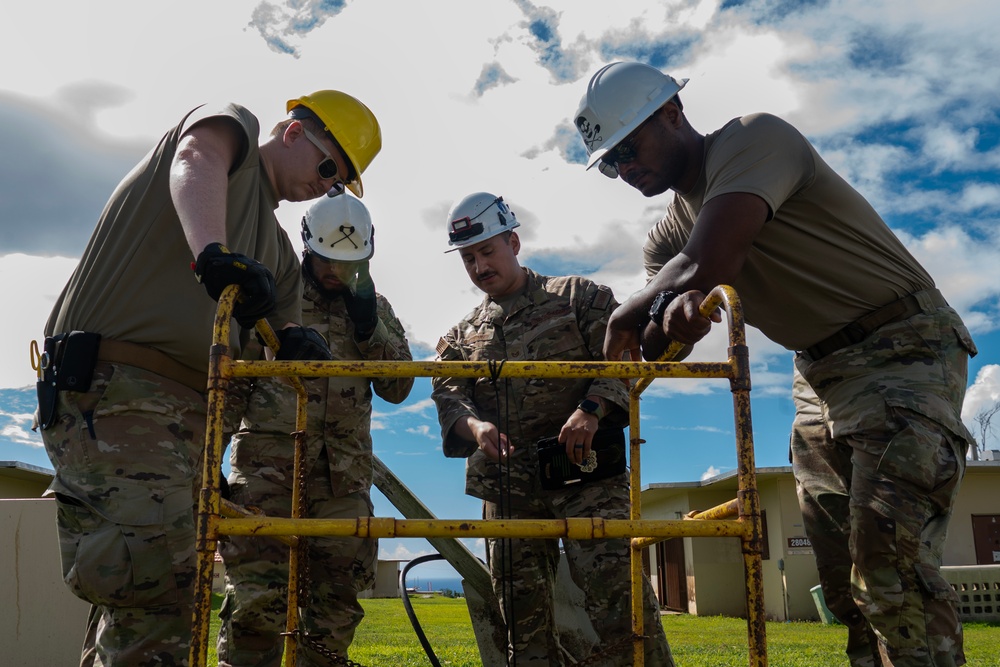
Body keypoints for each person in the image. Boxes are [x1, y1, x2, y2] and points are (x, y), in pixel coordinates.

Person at [575, 61, 977, 667]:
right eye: (610, 161)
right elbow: (663, 329)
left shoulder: (754, 138)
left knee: (890, 567)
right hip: (817, 374)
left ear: (672, 113)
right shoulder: (666, 239)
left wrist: (626, 314)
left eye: (628, 146)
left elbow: (708, 259)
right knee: (845, 581)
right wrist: (669, 313)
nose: (624, 168)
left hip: (900, 346)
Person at [35, 89, 382, 666]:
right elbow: (196, 157)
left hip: (186, 420)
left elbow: (283, 335)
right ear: (294, 133)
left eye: (337, 182)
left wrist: (295, 342)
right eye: (328, 168)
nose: (325, 187)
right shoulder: (233, 139)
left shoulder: (276, 256)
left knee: (164, 592)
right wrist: (211, 252)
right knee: (155, 583)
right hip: (118, 390)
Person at [430, 192, 673, 666]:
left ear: (514, 242)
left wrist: (591, 407)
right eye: (468, 258)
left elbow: (623, 356)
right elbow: (447, 393)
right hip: (508, 486)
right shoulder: (460, 336)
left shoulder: (579, 298)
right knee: (521, 617)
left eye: (487, 251)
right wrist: (476, 427)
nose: (479, 266)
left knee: (620, 602)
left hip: (585, 474)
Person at [217, 194, 413, 666]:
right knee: (257, 604)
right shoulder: (271, 297)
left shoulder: (375, 307)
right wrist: (207, 462)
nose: (335, 272)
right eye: (327, 260)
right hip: (267, 475)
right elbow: (230, 385)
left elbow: (399, 385)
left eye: (349, 262)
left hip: (342, 482)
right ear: (307, 247)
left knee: (335, 608)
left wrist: (371, 331)